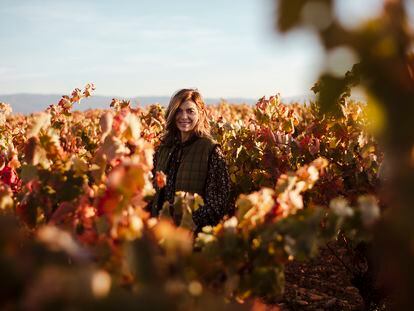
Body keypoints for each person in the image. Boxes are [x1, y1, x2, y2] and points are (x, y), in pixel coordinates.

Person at [151, 88, 230, 231]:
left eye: (190, 111)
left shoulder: (211, 151)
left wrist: (188, 224)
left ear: (200, 114)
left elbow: (217, 203)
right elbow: (153, 193)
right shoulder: (163, 149)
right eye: (178, 111)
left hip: (191, 239)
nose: (184, 116)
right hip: (161, 234)